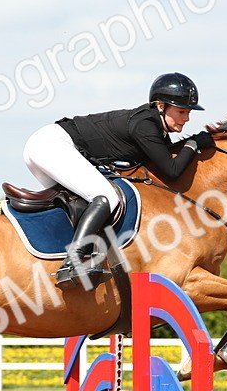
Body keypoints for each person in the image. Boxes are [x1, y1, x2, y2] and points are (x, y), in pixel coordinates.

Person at [21, 72, 216, 289]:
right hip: (51, 145)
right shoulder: (145, 125)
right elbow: (171, 170)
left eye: (188, 113)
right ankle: (74, 262)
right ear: (160, 106)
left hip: (45, 146)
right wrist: (194, 144)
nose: (186, 119)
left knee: (83, 204)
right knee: (106, 197)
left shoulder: (154, 127)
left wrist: (193, 142)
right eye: (181, 111)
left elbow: (163, 158)